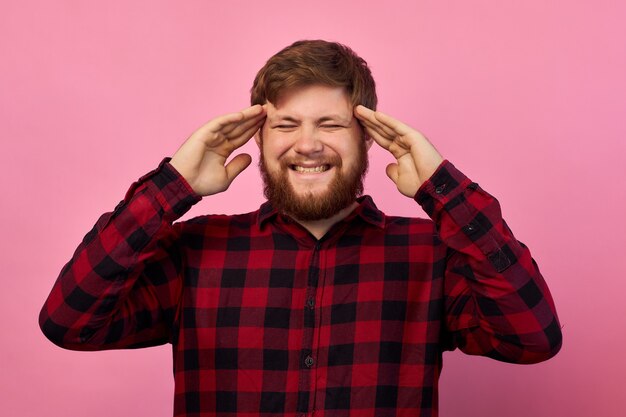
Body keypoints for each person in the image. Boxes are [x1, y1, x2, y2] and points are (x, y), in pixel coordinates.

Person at [39, 39, 562, 416]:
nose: (307, 144)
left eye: (330, 125)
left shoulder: (432, 254)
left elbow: (532, 339)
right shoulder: (194, 250)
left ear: (367, 139)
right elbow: (70, 322)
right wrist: (173, 186)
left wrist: (443, 189)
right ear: (259, 140)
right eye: (285, 125)